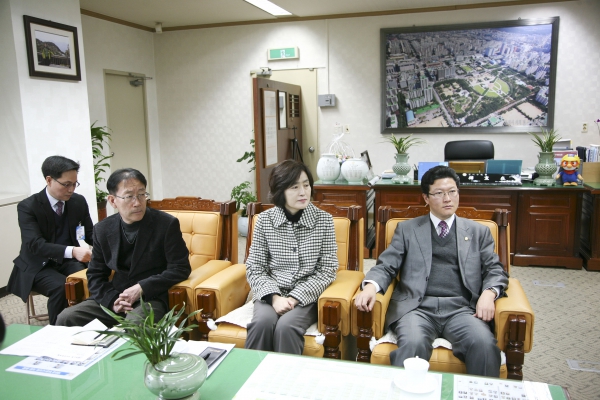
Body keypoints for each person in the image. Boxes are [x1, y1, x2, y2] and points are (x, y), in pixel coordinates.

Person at [354, 166, 509, 377]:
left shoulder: (478, 232)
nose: (448, 198)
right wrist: (371, 286)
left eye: (452, 191)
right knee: (412, 346)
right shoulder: (408, 230)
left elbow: (495, 270)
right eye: (439, 193)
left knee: (483, 345)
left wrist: (489, 294)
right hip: (417, 308)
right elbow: (386, 265)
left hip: (462, 309)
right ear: (426, 198)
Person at [56, 168, 191, 327]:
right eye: (129, 196)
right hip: (117, 296)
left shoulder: (166, 224)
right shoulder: (103, 229)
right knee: (67, 318)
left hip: (149, 297)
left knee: (135, 324)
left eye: (142, 194)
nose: (137, 202)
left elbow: (180, 268)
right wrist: (112, 301)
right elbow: (95, 274)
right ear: (113, 200)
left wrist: (141, 287)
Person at [245, 160, 339, 355]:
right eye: (294, 187)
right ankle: (252, 379)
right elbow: (255, 267)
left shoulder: (324, 221)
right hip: (270, 291)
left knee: (286, 327)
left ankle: (284, 383)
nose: (303, 192)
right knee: (262, 323)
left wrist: (295, 298)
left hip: (307, 296)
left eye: (306, 185)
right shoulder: (264, 221)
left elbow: (328, 269)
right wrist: (274, 298)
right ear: (280, 191)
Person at [8, 156, 93, 325]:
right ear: (49, 180)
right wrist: (74, 251)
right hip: (37, 264)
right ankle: (57, 331)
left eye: (75, 184)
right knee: (61, 287)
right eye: (66, 184)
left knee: (85, 280)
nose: (71, 189)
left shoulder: (78, 202)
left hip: (67, 261)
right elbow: (34, 245)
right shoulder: (28, 206)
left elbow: (90, 233)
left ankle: (83, 324)